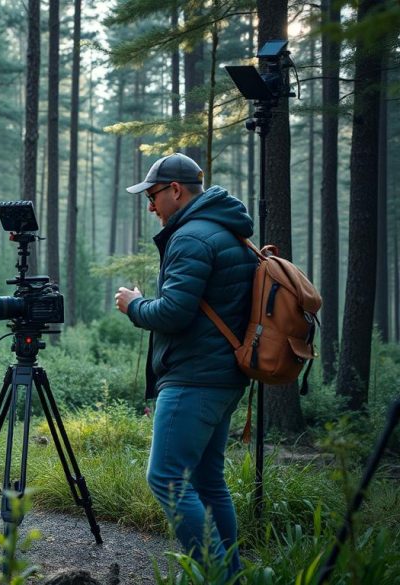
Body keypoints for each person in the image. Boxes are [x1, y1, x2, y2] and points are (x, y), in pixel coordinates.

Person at [114, 153, 256, 576]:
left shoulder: (191, 237)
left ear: (175, 190)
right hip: (224, 376)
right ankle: (230, 571)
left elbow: (174, 313)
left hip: (194, 377)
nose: (151, 206)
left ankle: (220, 574)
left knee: (166, 478)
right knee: (208, 480)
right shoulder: (226, 231)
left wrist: (133, 304)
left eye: (154, 195)